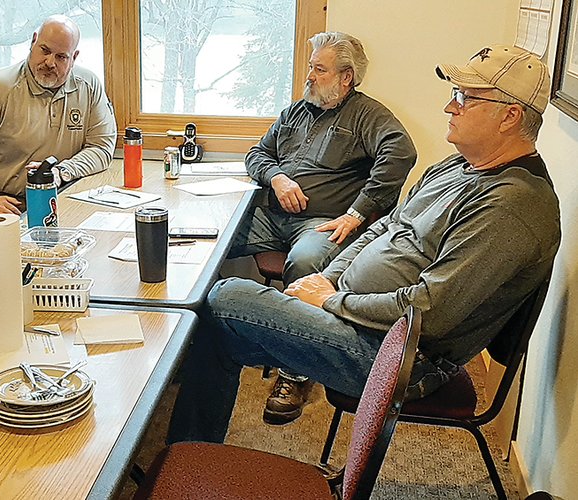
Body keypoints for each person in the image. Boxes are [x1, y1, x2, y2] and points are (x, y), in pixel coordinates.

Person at [168, 45, 561, 444]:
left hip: (399, 356)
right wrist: (329, 281)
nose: (449, 107)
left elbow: (431, 312)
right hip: (357, 318)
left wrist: (330, 301)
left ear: (510, 116)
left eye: (464, 97)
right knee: (217, 323)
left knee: (226, 297)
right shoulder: (456, 166)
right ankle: (186, 456)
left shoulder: (512, 204)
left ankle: (184, 454)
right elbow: (385, 227)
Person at [228, 31, 417, 425]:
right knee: (209, 242)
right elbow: (257, 153)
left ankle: (295, 372)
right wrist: (278, 178)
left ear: (345, 77)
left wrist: (357, 213)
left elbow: (401, 153)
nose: (309, 76)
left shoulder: (368, 115)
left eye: (319, 69)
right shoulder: (297, 110)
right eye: (310, 67)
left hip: (318, 223)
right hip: (269, 213)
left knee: (307, 262)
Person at [0, 14, 118, 232]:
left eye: (61, 57)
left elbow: (101, 148)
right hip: (5, 206)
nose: (49, 63)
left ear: (74, 57)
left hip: (61, 199)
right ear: (33, 41)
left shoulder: (89, 85)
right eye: (44, 50)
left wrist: (60, 171)